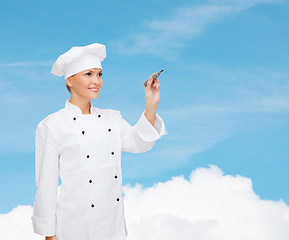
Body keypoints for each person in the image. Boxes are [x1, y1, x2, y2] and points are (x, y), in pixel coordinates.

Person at [31, 43, 168, 240]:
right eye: (88, 74)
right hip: (72, 228)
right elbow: (46, 184)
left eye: (99, 74)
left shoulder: (112, 118)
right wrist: (49, 234)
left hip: (113, 227)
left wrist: (151, 103)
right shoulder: (52, 126)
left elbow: (140, 143)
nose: (96, 81)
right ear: (69, 80)